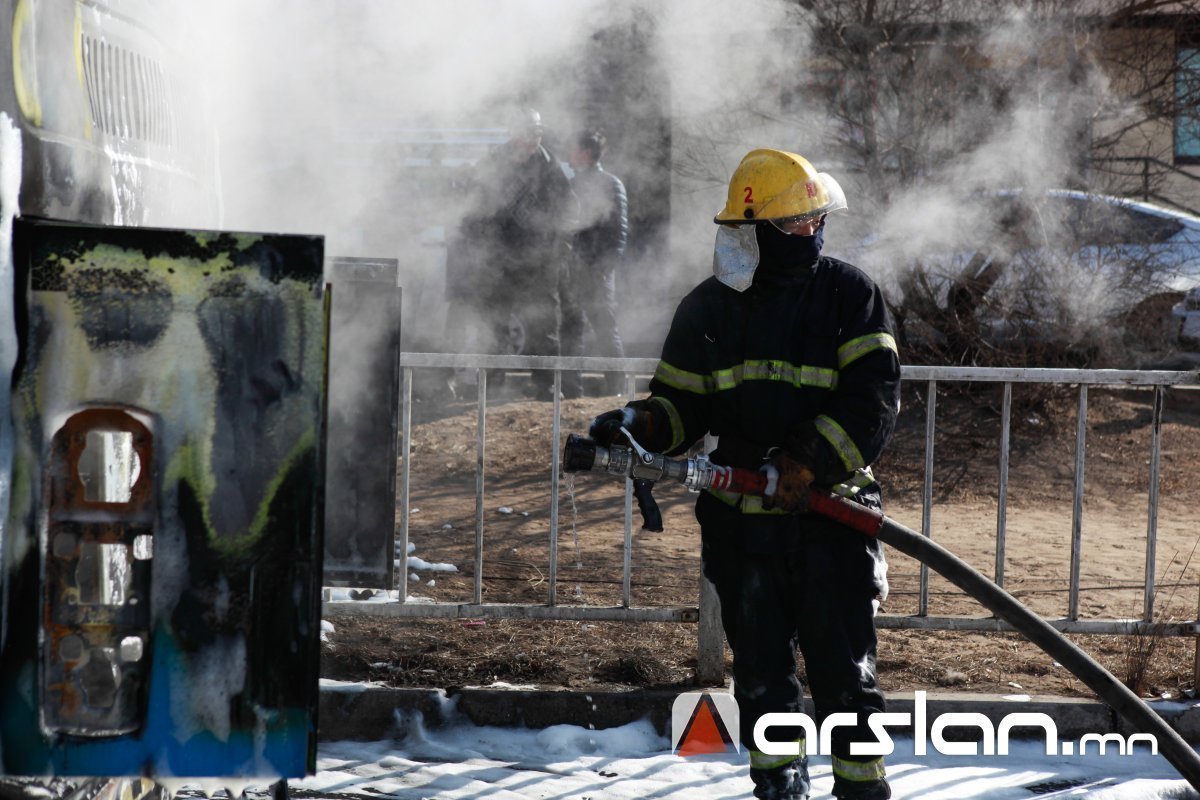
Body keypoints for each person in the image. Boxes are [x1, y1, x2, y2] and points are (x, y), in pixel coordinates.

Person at [589, 148, 900, 800]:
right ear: (752, 228)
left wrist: (807, 461)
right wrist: (641, 424)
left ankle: (863, 791)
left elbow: (873, 401)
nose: (810, 235)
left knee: (846, 677)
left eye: (816, 221)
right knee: (761, 682)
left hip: (829, 521)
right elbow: (683, 404)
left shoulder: (849, 295)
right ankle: (779, 788)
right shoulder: (709, 310)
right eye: (793, 225)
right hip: (745, 532)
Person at [443, 107, 576, 398]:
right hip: (499, 261)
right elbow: (474, 212)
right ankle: (493, 384)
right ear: (512, 133)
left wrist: (559, 246)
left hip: (538, 262)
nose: (532, 140)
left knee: (544, 324)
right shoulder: (492, 164)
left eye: (537, 133)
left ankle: (546, 383)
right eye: (526, 133)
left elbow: (568, 211)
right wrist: (483, 252)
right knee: (495, 325)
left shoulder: (551, 166)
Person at [560, 129, 628, 397]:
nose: (569, 154)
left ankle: (616, 391)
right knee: (570, 328)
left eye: (573, 149)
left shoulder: (611, 185)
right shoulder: (570, 185)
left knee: (604, 328)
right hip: (572, 269)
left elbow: (619, 232)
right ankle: (570, 391)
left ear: (585, 153)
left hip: (597, 271)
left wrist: (604, 268)